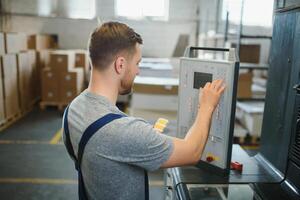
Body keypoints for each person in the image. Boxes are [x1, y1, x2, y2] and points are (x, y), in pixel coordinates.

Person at [62, 21, 225, 200]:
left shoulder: (73, 110)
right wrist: (207, 106)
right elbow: (192, 152)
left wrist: (140, 141)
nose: (138, 71)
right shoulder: (124, 131)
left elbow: (103, 151)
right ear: (121, 65)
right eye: (137, 63)